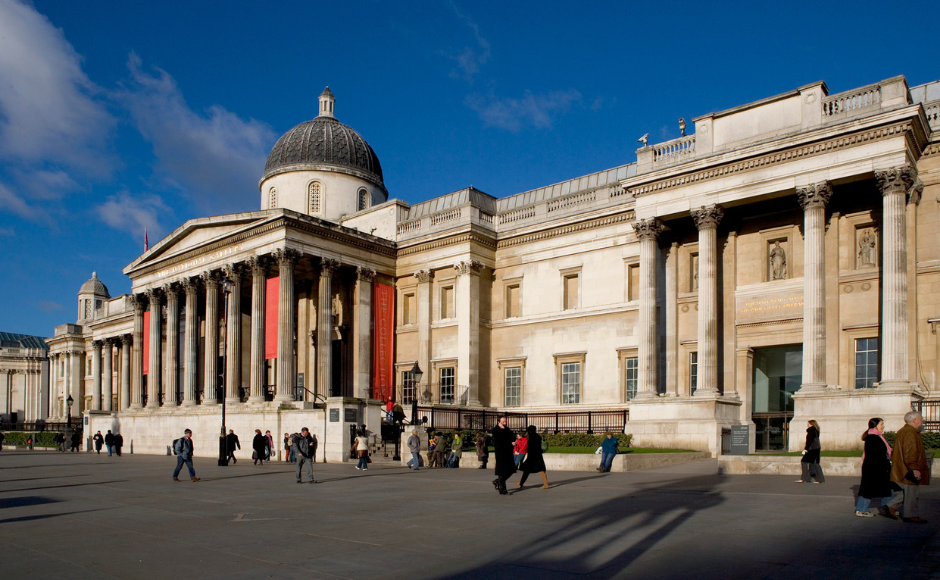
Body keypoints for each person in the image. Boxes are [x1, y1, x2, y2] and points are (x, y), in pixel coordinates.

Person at [887, 411, 930, 523]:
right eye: (920, 419)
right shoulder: (910, 433)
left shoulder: (904, 431)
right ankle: (910, 514)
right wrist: (914, 468)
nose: (922, 421)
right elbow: (910, 452)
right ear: (914, 420)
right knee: (912, 492)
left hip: (903, 468)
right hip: (909, 469)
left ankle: (890, 506)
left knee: (908, 492)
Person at [855, 417, 896, 518]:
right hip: (874, 469)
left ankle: (887, 508)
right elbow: (876, 455)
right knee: (868, 490)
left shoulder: (875, 437)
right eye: (881, 424)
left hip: (877, 468)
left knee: (886, 488)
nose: (883, 426)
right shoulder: (873, 438)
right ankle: (862, 509)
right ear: (876, 425)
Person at [516, 425, 549, 489]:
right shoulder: (538, 436)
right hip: (538, 455)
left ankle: (521, 483)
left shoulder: (531, 437)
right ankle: (521, 483)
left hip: (532, 456)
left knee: (528, 470)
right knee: (540, 469)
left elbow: (531, 447)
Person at [490, 416, 517, 495]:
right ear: (498, 422)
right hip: (500, 453)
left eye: (505, 422)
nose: (505, 423)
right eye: (503, 422)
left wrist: (513, 442)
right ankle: (502, 489)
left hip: (508, 452)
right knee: (501, 471)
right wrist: (509, 441)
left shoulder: (507, 429)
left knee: (511, 469)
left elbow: (512, 437)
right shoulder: (495, 430)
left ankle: (498, 482)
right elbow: (499, 441)